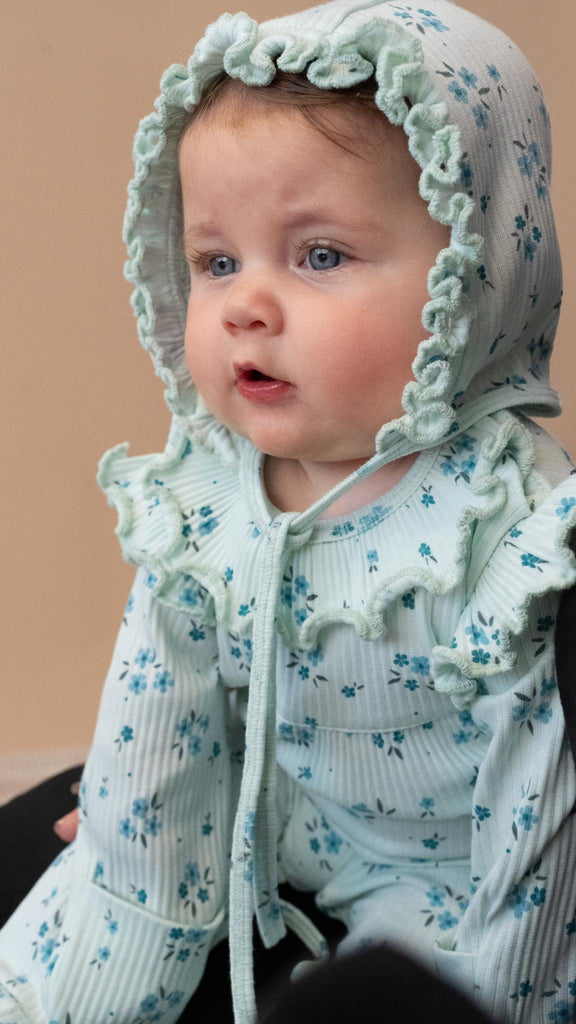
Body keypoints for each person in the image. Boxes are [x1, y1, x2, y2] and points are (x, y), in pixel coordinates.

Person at [1, 1, 575, 1022]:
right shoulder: (206, 496)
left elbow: (536, 838)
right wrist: (132, 862)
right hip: (273, 822)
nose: (243, 307)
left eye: (319, 256)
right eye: (217, 262)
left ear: (472, 275)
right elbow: (161, 721)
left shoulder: (508, 532)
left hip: (448, 875)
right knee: (67, 874)